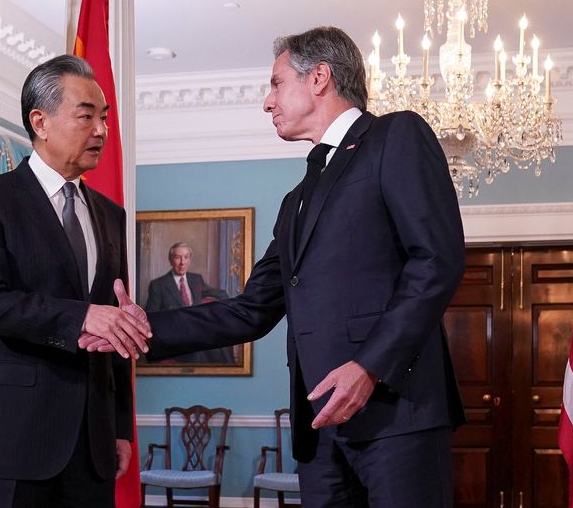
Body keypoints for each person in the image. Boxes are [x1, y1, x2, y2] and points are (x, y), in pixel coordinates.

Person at [125, 26, 467, 507]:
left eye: (276, 83)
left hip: (397, 417)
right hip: (320, 433)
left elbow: (437, 259)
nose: (268, 102)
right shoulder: (296, 201)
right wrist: (144, 329)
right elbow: (250, 310)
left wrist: (369, 367)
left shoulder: (396, 135)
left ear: (320, 78)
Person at [0, 54, 150, 508]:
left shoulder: (111, 215)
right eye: (86, 117)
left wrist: (119, 428)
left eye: (104, 118)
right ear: (39, 121)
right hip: (11, 440)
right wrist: (84, 317)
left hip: (93, 446)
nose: (101, 130)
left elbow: (115, 323)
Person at [144, 242, 235, 364]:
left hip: (197, 331)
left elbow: (220, 294)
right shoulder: (158, 285)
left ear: (190, 259)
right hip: (176, 335)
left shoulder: (196, 279)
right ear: (171, 260)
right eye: (177, 257)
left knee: (220, 345)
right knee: (198, 353)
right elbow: (151, 315)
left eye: (186, 257)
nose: (182, 262)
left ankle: (227, 373)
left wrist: (224, 308)